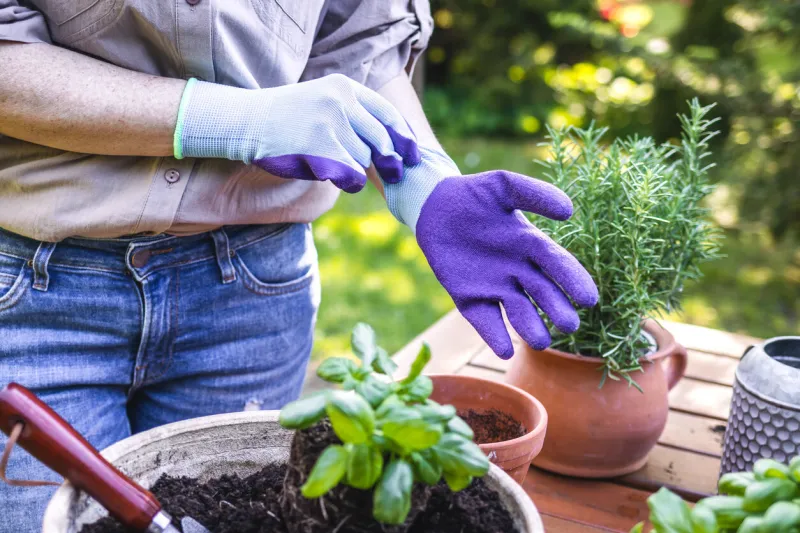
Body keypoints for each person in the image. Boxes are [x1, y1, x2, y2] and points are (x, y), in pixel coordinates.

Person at [0, 1, 598, 530]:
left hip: (252, 289)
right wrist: (239, 121)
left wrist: (422, 179)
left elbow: (361, 35)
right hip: (39, 290)